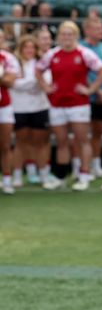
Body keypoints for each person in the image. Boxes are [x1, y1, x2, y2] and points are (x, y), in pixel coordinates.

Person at [35, 21, 102, 192]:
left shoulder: (84, 53)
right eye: (63, 34)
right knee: (61, 142)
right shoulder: (52, 54)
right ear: (59, 36)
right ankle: (61, 176)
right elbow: (38, 70)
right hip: (57, 103)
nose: (66, 37)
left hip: (79, 104)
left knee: (82, 140)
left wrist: (91, 89)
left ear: (76, 36)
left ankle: (84, 175)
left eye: (70, 34)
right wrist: (46, 87)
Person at [11, 35, 61, 190]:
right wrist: (33, 82)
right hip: (19, 109)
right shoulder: (14, 64)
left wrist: (28, 82)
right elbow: (14, 83)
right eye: (26, 47)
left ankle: (44, 175)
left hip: (40, 108)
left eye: (32, 47)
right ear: (21, 49)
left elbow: (45, 82)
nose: (29, 51)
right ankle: (17, 175)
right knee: (21, 143)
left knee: (41, 143)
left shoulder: (41, 64)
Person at [80, 18, 102, 179]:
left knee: (98, 132)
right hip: (84, 97)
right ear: (87, 30)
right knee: (82, 134)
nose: (101, 31)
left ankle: (96, 165)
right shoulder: (80, 48)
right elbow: (81, 72)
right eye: (97, 28)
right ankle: (81, 166)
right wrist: (96, 90)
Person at [0, 42, 20, 195]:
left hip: (4, 106)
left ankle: (7, 179)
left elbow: (9, 81)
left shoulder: (8, 58)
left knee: (6, 144)